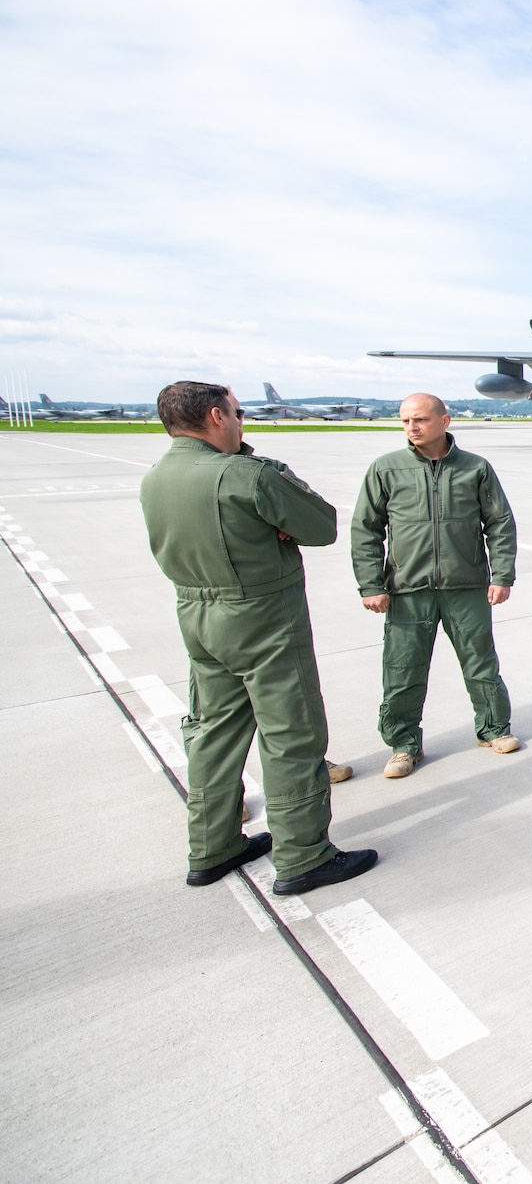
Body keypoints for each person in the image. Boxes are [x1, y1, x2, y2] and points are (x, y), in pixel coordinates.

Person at [138, 381, 376, 896]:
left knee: (214, 731)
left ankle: (212, 845)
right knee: (291, 732)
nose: (242, 421)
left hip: (197, 615)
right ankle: (304, 856)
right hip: (261, 617)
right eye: (237, 413)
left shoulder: (156, 477)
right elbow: (321, 525)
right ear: (216, 417)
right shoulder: (244, 475)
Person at [352, 394, 519, 779]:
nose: (412, 426)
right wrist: (370, 584)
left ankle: (494, 729)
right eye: (406, 420)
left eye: (421, 419)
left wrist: (501, 575)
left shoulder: (475, 468)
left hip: (466, 586)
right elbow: (366, 530)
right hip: (407, 590)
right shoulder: (386, 469)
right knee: (403, 668)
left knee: (481, 662)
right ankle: (404, 745)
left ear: (445, 421)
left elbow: (500, 524)